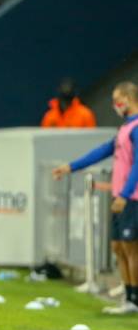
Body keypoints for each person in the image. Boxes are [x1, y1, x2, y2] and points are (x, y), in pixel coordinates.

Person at [53, 82, 138, 315]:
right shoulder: (125, 128)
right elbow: (101, 151)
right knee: (118, 247)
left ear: (129, 99)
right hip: (120, 196)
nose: (115, 105)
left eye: (117, 100)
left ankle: (134, 299)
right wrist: (71, 166)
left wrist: (125, 194)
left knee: (131, 248)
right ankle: (128, 297)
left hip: (131, 197)